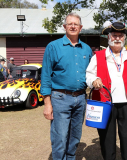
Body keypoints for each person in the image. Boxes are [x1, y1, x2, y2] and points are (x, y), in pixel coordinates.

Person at [86, 22, 127, 160]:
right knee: (107, 139)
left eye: (120, 36)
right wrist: (94, 80)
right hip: (105, 103)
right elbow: (89, 74)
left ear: (124, 38)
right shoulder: (98, 55)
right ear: (109, 37)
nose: (117, 38)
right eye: (114, 35)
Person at [40, 12, 92, 160]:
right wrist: (47, 103)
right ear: (64, 26)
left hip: (81, 98)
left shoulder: (87, 49)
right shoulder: (53, 47)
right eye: (70, 24)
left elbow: (92, 73)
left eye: (76, 24)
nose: (73, 26)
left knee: (75, 137)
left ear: (81, 27)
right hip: (60, 98)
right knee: (60, 139)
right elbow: (45, 76)